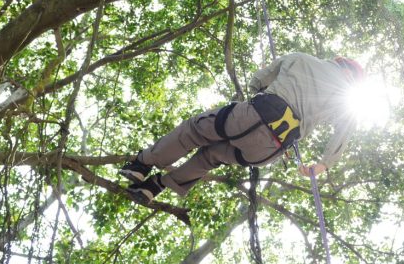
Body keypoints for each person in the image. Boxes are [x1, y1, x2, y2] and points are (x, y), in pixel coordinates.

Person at [119, 53, 365, 204]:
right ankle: (156, 186)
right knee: (212, 157)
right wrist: (323, 164)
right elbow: (346, 128)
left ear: (338, 62)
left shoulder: (302, 59)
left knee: (194, 131)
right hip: (270, 149)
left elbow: (258, 80)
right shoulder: (345, 96)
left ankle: (143, 164)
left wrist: (263, 86)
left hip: (252, 116)